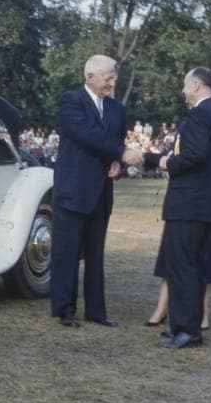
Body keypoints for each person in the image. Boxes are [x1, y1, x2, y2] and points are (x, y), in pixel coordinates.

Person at [49, 55, 143, 328]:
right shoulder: (71, 101)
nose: (112, 83)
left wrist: (116, 162)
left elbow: (115, 141)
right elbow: (86, 134)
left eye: (114, 78)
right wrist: (121, 152)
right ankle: (65, 309)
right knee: (66, 252)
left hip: (101, 190)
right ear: (90, 77)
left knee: (95, 253)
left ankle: (96, 311)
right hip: (73, 188)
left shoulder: (116, 109)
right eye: (108, 78)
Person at [154, 67, 211, 349]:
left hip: (189, 203)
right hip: (204, 202)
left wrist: (168, 164)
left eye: (186, 84)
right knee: (191, 266)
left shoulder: (201, 115)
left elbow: (195, 155)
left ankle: (187, 330)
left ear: (198, 86)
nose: (183, 90)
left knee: (182, 266)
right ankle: (183, 325)